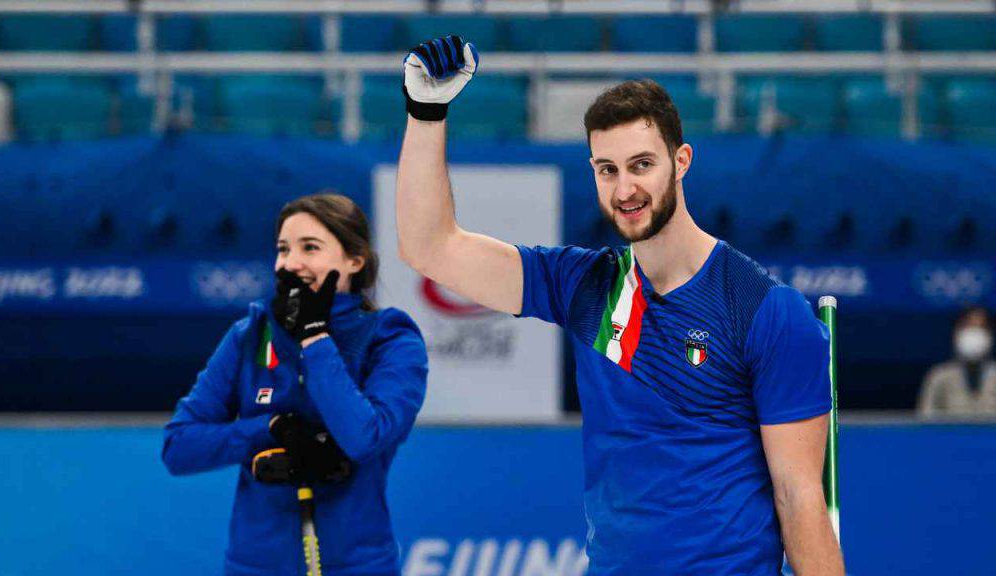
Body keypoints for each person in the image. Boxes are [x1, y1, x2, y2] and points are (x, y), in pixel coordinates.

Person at [396, 36, 843, 575]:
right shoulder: (584, 285)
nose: (625, 187)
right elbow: (429, 247)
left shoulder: (766, 310)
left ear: (681, 161)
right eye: (607, 169)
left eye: (641, 165)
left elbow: (799, 499)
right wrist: (425, 113)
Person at [162, 193, 428, 576]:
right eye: (283, 249)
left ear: (355, 260)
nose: (292, 262)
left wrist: (315, 337)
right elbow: (178, 448)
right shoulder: (250, 335)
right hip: (256, 566)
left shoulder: (390, 338)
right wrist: (270, 429)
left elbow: (364, 437)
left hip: (356, 565)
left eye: (310, 248)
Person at [918, 306, 996, 417]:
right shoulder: (939, 376)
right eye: (968, 327)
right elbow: (925, 422)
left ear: (990, 335)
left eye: (981, 328)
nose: (974, 334)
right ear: (957, 333)